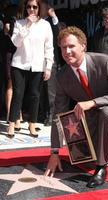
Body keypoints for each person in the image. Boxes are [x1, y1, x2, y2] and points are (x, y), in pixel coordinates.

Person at [44, 26, 108, 188]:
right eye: (63, 47)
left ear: (83, 46)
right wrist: (54, 152)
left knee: (107, 112)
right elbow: (58, 114)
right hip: (92, 114)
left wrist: (92, 103)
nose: (67, 51)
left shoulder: (104, 61)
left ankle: (101, 168)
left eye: (71, 46)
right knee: (86, 160)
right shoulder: (62, 76)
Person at [7, 0, 53, 138]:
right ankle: (11, 124)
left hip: (38, 65)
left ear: (39, 8)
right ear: (25, 8)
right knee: (18, 94)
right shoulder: (20, 23)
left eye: (34, 7)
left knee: (35, 95)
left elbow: (49, 47)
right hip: (19, 64)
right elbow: (15, 42)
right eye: (29, 7)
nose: (32, 9)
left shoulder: (45, 25)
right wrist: (27, 25)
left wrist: (49, 66)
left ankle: (32, 123)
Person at [39, 0, 60, 126]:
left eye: (40, 7)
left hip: (50, 60)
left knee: (51, 90)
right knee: (41, 89)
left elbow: (57, 34)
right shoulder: (37, 22)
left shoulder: (51, 22)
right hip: (37, 61)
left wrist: (53, 16)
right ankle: (44, 113)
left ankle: (52, 116)